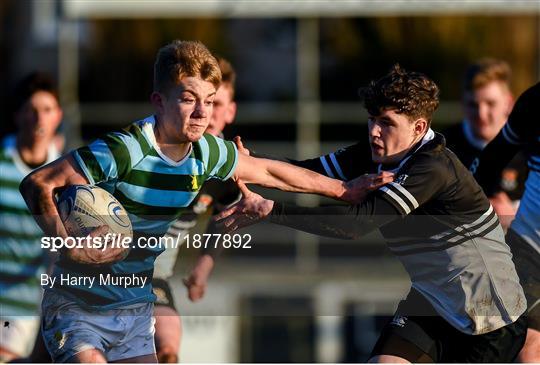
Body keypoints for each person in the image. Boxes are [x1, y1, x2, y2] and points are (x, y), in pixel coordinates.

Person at [19, 40, 381, 363]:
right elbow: (38, 183)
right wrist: (69, 246)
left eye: (208, 101)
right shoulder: (125, 149)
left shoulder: (206, 152)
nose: (202, 113)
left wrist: (342, 190)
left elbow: (270, 172)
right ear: (159, 101)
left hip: (132, 306)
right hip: (78, 304)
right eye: (189, 99)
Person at [216, 64, 528, 363]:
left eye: (387, 123)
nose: (374, 132)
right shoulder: (375, 154)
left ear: (419, 127)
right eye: (372, 119)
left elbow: (357, 223)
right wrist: (248, 160)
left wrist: (271, 209)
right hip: (431, 301)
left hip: (489, 318)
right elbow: (306, 172)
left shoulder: (433, 168)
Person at [151, 56, 240, 363]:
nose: (206, 112)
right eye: (196, 100)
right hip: (107, 270)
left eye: (214, 102)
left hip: (154, 276)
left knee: (167, 348)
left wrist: (203, 268)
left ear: (229, 111)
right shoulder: (160, 146)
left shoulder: (229, 168)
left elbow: (225, 217)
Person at [472, 82, 540, 363]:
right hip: (529, 252)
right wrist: (473, 207)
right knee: (527, 347)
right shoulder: (536, 102)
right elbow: (494, 156)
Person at [0, 72, 63, 362]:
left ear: (58, 116)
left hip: (42, 304)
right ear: (18, 115)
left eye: (47, 110)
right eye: (31, 110)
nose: (40, 119)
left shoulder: (68, 173)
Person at [443, 58, 527, 229]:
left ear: (509, 102)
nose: (481, 114)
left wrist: (513, 217)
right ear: (462, 104)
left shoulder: (531, 147)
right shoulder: (442, 147)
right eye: (473, 104)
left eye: (490, 103)